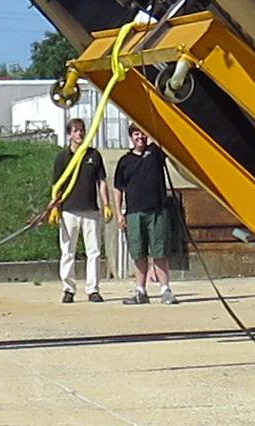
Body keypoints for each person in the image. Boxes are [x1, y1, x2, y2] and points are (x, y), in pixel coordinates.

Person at [47, 116, 109, 304]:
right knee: (68, 251)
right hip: (69, 211)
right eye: (75, 131)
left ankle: (93, 289)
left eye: (82, 130)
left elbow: (102, 181)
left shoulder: (94, 155)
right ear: (69, 135)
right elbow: (56, 185)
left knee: (94, 251)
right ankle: (68, 289)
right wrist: (55, 208)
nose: (80, 134)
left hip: (90, 209)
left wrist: (106, 204)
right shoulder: (62, 158)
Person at [112, 126, 176, 303]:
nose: (140, 137)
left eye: (142, 133)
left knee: (159, 251)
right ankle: (140, 291)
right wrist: (119, 213)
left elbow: (165, 136)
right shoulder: (124, 161)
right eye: (136, 134)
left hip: (157, 210)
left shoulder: (155, 153)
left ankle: (165, 290)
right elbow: (118, 188)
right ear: (131, 137)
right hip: (134, 213)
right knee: (138, 253)